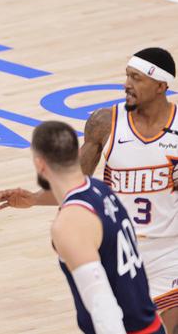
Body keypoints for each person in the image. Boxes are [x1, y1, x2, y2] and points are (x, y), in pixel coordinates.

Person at [0, 48, 178, 332]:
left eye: (136, 78)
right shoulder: (105, 123)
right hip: (118, 247)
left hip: (169, 251)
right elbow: (76, 184)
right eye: (127, 76)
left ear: (161, 86)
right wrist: (34, 199)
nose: (126, 84)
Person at [30, 121, 164, 334]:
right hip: (150, 323)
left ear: (40, 164)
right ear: (76, 154)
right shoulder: (101, 189)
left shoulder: (70, 223)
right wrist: (32, 200)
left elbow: (102, 305)